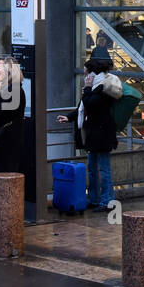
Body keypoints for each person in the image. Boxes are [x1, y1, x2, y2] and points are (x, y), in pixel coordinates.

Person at [57, 58, 122, 209]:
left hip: (102, 133)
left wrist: (87, 88)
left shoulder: (104, 87)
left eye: (86, 71)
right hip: (93, 133)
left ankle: (107, 201)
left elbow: (91, 104)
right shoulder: (94, 86)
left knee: (104, 169)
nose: (84, 74)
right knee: (92, 168)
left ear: (93, 73)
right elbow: (82, 105)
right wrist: (69, 117)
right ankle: (94, 199)